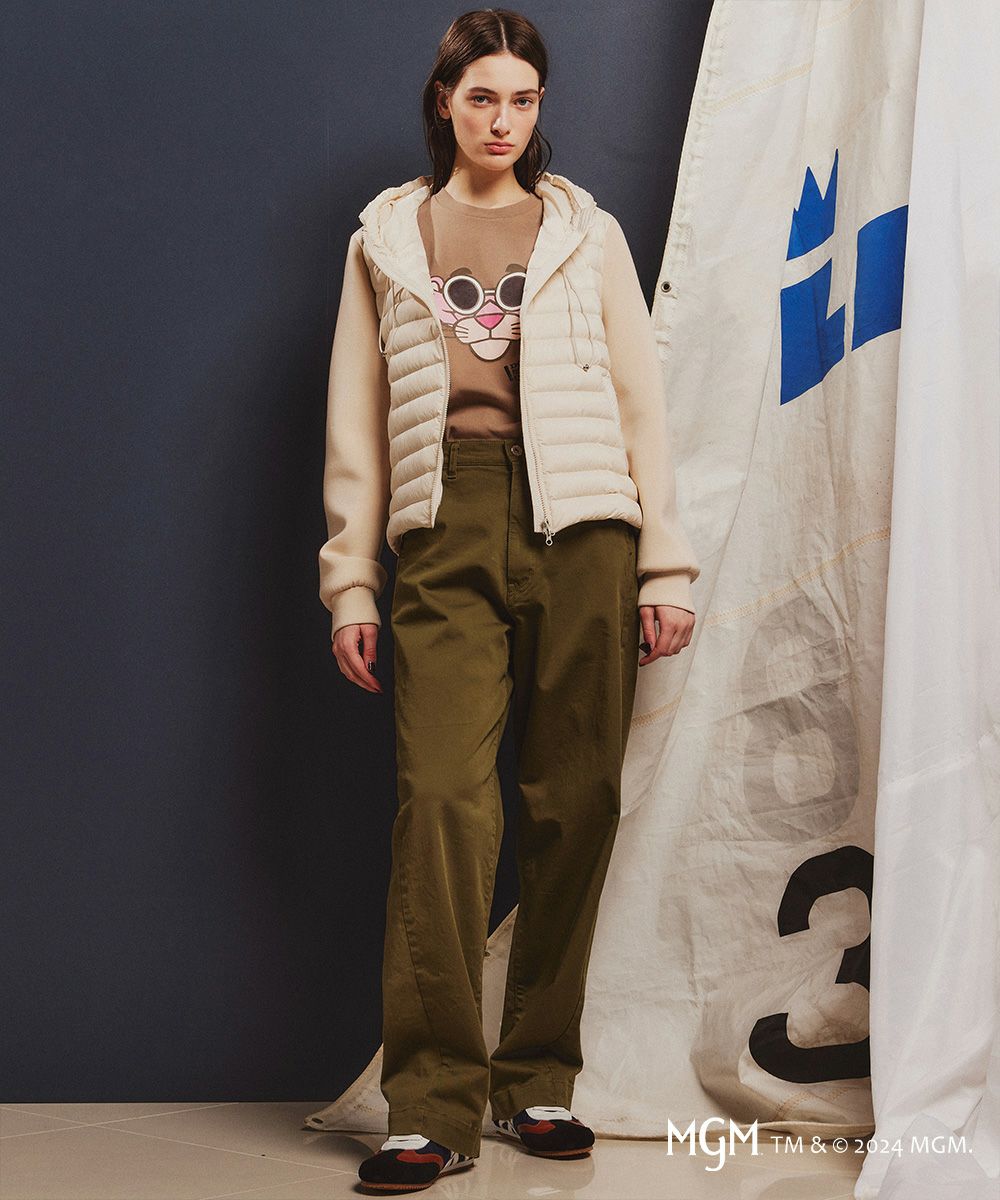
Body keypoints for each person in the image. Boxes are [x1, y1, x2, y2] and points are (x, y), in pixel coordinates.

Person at [318, 8, 701, 1193]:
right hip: (448, 527)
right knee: (441, 800)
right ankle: (429, 1106)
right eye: (481, 97)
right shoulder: (387, 238)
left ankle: (537, 1080)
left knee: (573, 801)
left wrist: (663, 564)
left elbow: (641, 406)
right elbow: (355, 422)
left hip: (585, 526)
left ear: (539, 108)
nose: (502, 121)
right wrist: (350, 580)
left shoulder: (587, 232)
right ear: (445, 101)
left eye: (522, 100)